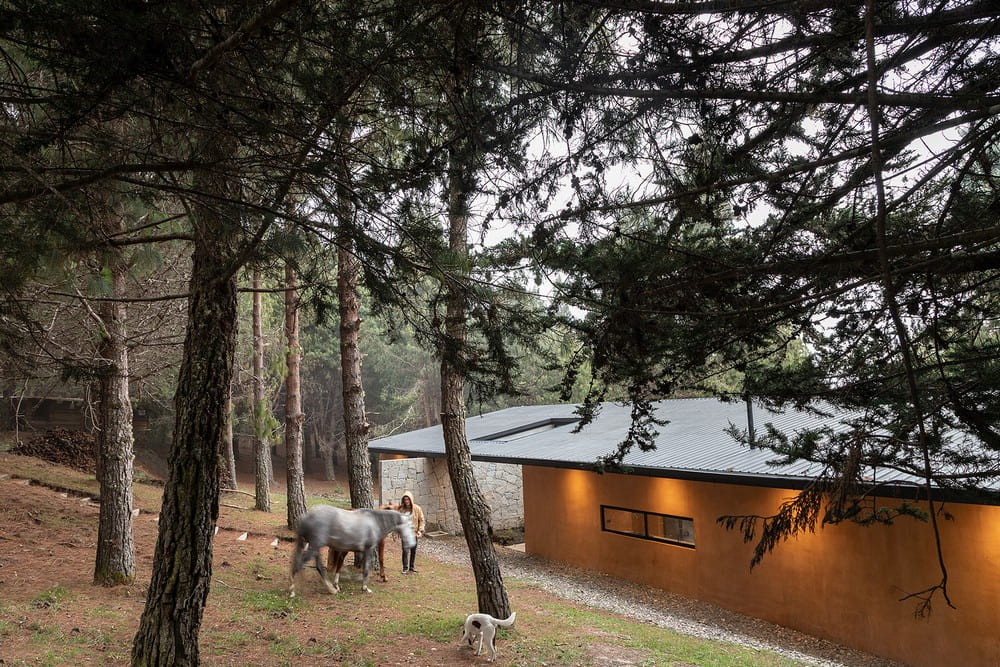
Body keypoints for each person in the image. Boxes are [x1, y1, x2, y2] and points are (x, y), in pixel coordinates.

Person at [398, 491, 424, 573]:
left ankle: (411, 567)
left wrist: (420, 531)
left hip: (414, 534)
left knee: (413, 551)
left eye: (408, 499)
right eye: (405, 500)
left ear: (411, 500)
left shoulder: (417, 508)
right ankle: (405, 568)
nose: (406, 501)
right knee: (405, 551)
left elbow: (422, 520)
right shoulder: (401, 510)